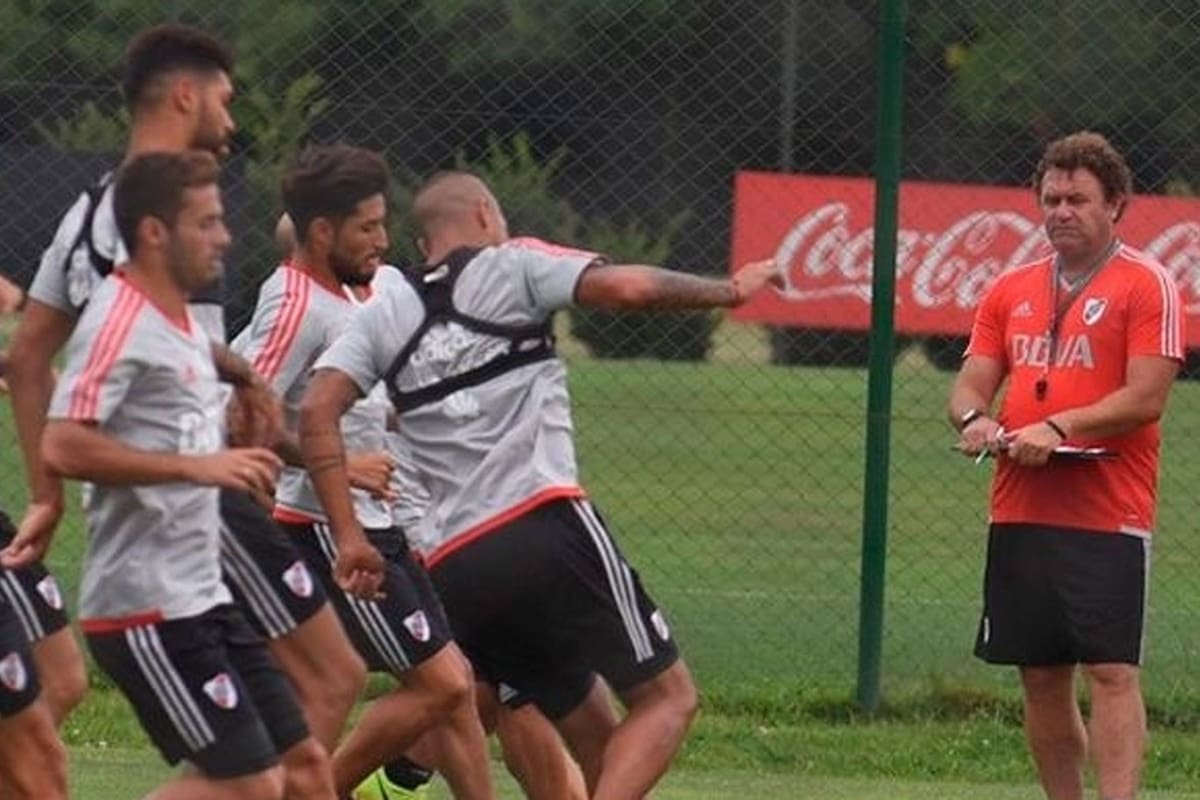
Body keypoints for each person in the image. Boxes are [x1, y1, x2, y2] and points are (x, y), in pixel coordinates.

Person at [299, 170, 781, 800]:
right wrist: (729, 291)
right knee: (667, 701)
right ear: (483, 214)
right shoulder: (514, 262)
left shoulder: (385, 308)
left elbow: (315, 413)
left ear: (423, 244)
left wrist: (347, 536)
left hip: (454, 567)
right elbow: (630, 287)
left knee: (598, 737)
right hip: (543, 523)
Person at [5, 23, 366, 751]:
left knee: (291, 701)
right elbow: (96, 343)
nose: (231, 122)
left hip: (196, 488)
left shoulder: (88, 216)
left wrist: (46, 495)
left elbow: (28, 357)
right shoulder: (146, 217)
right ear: (184, 95)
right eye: (224, 101)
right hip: (185, 497)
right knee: (328, 680)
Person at [42, 150, 335, 800]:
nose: (224, 237)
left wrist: (247, 379)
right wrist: (198, 467)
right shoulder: (117, 320)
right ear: (154, 232)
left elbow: (182, 366)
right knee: (253, 785)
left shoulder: (171, 319)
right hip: (146, 608)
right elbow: (62, 444)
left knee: (309, 771)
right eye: (206, 223)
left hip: (203, 598)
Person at [233, 146, 494, 800]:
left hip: (380, 523)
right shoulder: (295, 303)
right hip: (323, 527)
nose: (385, 240)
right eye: (368, 228)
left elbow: (373, 400)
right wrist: (341, 466)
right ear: (323, 233)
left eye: (384, 224)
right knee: (440, 684)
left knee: (454, 690)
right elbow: (242, 418)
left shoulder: (368, 293)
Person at [949, 131, 1184, 800]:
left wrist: (1058, 426)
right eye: (1050, 198)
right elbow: (969, 386)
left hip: (1108, 513)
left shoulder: (1149, 284)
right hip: (1020, 506)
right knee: (1040, 675)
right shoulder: (1009, 288)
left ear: (1116, 203)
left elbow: (1147, 397)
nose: (1060, 211)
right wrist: (978, 423)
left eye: (1077, 199)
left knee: (1110, 672)